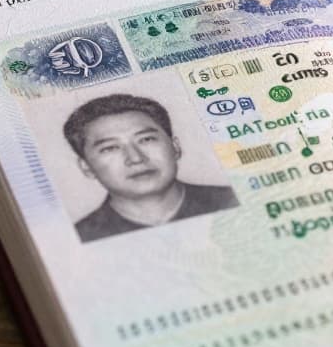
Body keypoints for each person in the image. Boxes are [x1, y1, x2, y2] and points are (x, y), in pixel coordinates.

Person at [63, 93, 237, 242]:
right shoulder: (82, 237)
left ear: (175, 147)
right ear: (86, 167)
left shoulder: (231, 200)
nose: (136, 158)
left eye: (146, 139)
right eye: (110, 148)